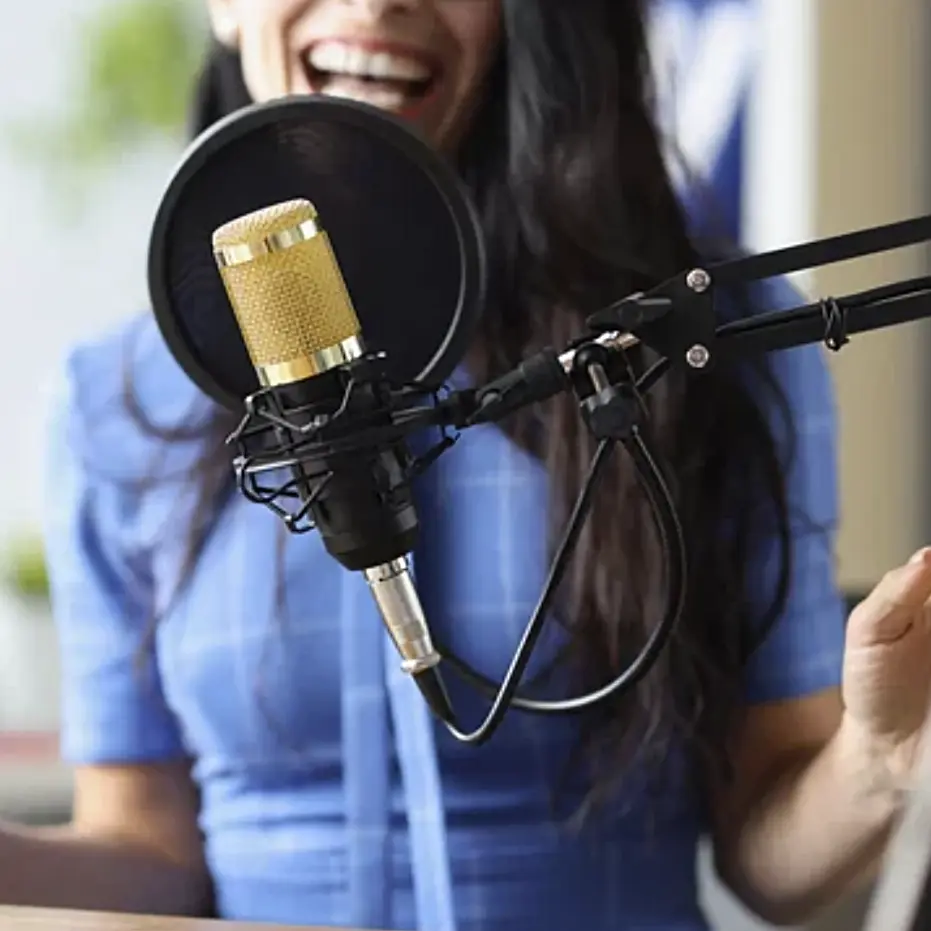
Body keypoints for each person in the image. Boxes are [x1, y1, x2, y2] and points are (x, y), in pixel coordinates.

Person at [8, 1, 930, 929]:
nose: (374, 5)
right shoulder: (114, 399)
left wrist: (879, 759)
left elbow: (771, 866)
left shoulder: (705, 348)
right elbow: (154, 855)